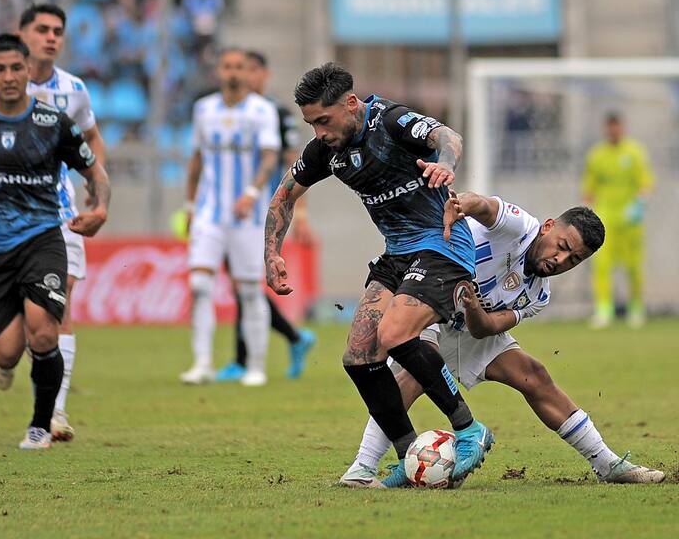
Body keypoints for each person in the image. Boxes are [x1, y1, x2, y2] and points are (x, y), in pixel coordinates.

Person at [265, 62, 492, 484]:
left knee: (394, 334)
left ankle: (468, 428)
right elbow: (283, 196)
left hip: (443, 244)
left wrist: (444, 163)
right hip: (398, 254)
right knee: (359, 356)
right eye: (311, 123)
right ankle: (409, 457)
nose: (319, 132)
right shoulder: (326, 151)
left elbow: (448, 136)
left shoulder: (390, 121)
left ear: (351, 104)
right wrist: (273, 254)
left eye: (324, 121)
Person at [341, 193, 664, 487]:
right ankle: (363, 467)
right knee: (413, 373)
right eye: (563, 246)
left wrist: (472, 307)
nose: (561, 260)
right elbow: (484, 206)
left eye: (574, 260)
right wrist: (461, 205)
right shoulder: (519, 227)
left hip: (470, 327)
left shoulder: (538, 295)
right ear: (548, 227)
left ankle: (607, 464)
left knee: (535, 376)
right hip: (428, 309)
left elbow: (486, 329)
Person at [0, 34, 110, 449]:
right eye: (0, 69)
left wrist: (99, 209)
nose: (10, 77)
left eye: (17, 68)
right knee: (6, 354)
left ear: (29, 71)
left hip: (42, 240)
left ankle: (40, 424)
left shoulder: (53, 124)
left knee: (44, 334)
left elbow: (95, 173)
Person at [180, 47, 280, 387]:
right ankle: (203, 363)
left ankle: (255, 365)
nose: (233, 73)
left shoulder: (261, 110)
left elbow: (269, 158)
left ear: (247, 72)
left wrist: (252, 193)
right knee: (198, 285)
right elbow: (196, 159)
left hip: (248, 214)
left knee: (250, 291)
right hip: (210, 211)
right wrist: (190, 206)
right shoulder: (203, 109)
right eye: (227, 66)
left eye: (239, 67)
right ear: (219, 71)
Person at [214, 50, 316, 383]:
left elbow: (296, 165)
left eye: (253, 69)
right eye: (243, 69)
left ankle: (248, 359)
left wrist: (299, 212)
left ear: (264, 74)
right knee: (243, 284)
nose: (247, 75)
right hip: (233, 209)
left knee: (246, 284)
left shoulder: (278, 113)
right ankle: (290, 339)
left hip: (265, 210)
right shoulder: (225, 112)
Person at [582, 113, 654, 329]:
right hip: (605, 219)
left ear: (622, 127)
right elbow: (589, 187)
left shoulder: (635, 152)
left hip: (630, 219)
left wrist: (639, 204)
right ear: (606, 129)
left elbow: (645, 183)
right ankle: (604, 309)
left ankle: (636, 307)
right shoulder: (597, 155)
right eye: (610, 127)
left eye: (617, 127)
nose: (613, 131)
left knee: (633, 265)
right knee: (602, 265)